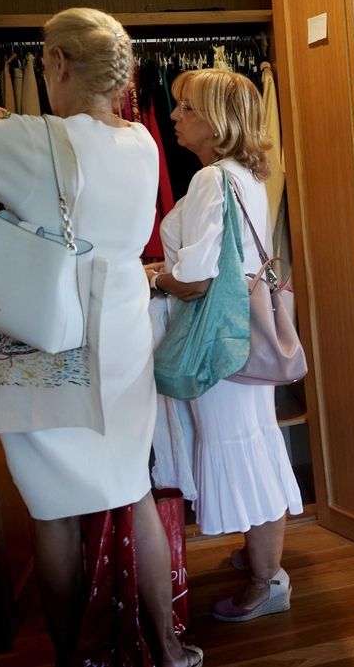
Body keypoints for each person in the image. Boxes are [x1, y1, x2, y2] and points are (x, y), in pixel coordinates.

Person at [0, 8, 201, 667]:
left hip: (46, 337)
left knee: (53, 510)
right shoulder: (140, 141)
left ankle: (72, 656)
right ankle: (168, 648)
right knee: (132, 486)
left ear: (56, 63)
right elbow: (54, 149)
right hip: (120, 333)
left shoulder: (32, 142)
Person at [147, 68, 303, 621]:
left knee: (240, 446)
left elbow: (196, 279)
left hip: (218, 337)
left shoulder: (212, 179)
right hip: (242, 332)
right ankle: (262, 558)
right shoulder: (244, 174)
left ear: (215, 121)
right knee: (253, 441)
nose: (174, 116)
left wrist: (155, 278)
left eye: (186, 107)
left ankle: (267, 579)